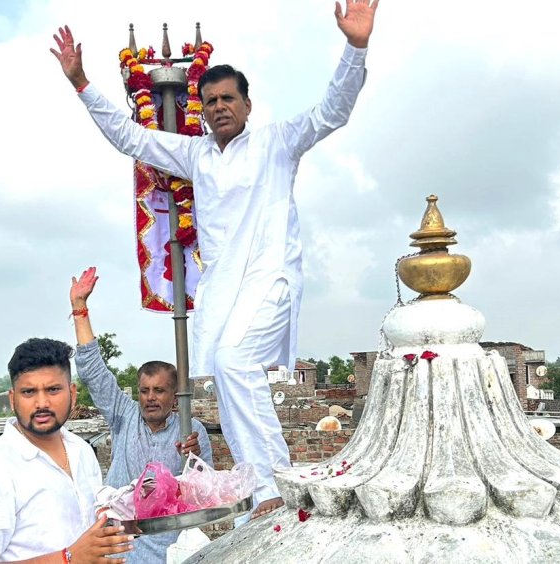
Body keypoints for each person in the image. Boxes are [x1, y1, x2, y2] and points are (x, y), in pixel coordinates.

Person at [51, 0, 379, 517]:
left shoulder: (277, 142)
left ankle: (273, 483)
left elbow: (332, 111)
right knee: (225, 377)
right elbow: (130, 137)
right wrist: (82, 83)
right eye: (210, 100)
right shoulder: (196, 155)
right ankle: (259, 487)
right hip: (225, 289)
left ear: (247, 105)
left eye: (229, 98)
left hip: (270, 279)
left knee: (234, 363)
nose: (220, 106)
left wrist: (355, 46)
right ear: (202, 108)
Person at [69, 266, 213, 563]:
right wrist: (80, 309)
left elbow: (206, 492)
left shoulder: (190, 429)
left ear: (175, 396)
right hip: (122, 547)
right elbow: (94, 372)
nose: (150, 398)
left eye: (159, 391)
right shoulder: (125, 416)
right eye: (144, 390)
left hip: (171, 550)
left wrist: (193, 460)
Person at [0, 338, 135, 564]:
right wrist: (68, 559)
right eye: (28, 392)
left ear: (72, 393)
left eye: (53, 389)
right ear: (13, 399)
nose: (42, 403)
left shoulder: (82, 452)